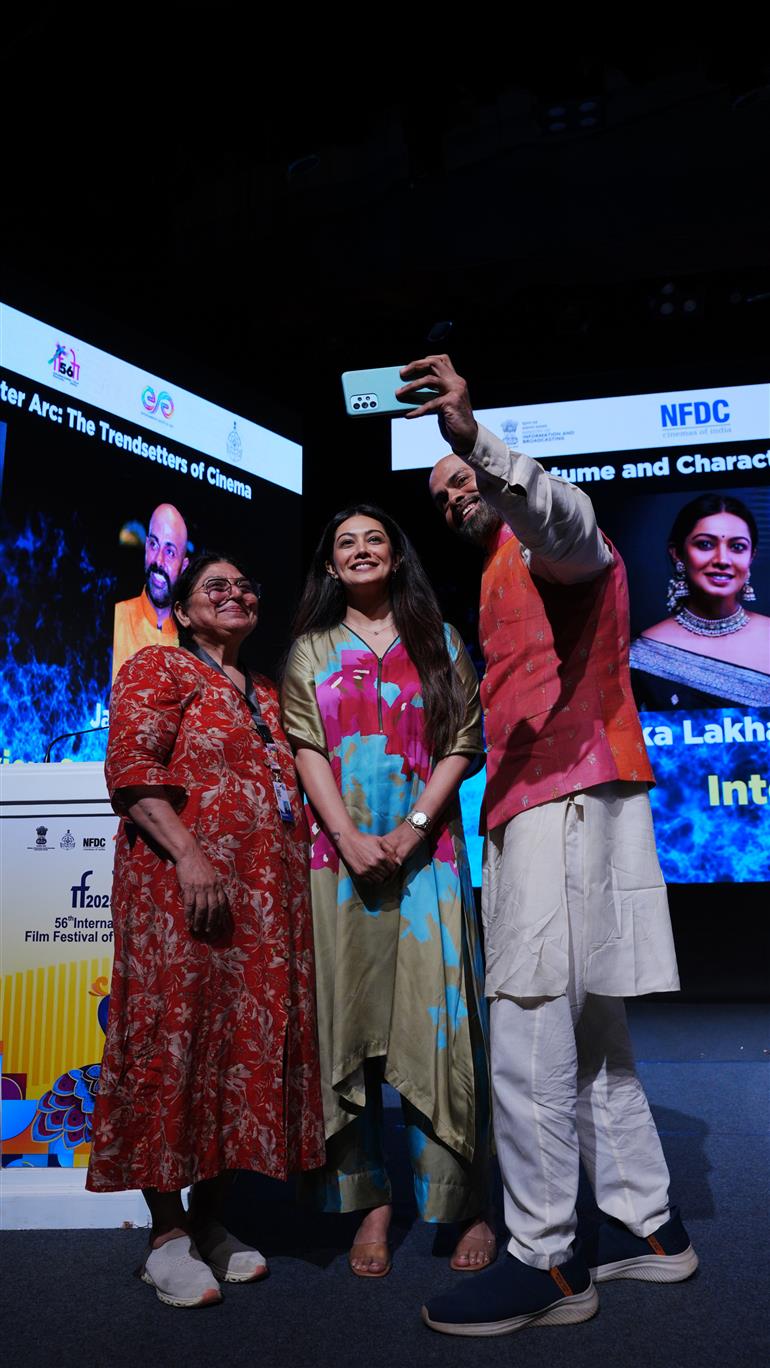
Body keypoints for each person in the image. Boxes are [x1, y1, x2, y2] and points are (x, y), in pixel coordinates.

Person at [394, 355, 698, 1337]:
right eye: (441, 495)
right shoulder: (496, 570)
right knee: (593, 1037)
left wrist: (474, 440)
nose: (453, 496)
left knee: (527, 1026)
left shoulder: (545, 542)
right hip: (568, 800)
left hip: (559, 802)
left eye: (461, 481)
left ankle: (547, 1259)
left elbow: (565, 522)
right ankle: (649, 1227)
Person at [88, 551, 325, 1308]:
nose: (234, 594)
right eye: (214, 587)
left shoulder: (266, 692)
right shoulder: (159, 667)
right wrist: (190, 856)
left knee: (238, 1051)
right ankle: (165, 1236)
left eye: (245, 586)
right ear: (186, 611)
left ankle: (209, 1220)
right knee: (174, 1042)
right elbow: (130, 769)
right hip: (178, 897)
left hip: (263, 910)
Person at [280, 504, 494, 1278]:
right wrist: (346, 837)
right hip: (336, 864)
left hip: (428, 858)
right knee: (351, 1027)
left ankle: (463, 1199)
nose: (362, 550)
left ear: (397, 558)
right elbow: (305, 747)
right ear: (331, 565)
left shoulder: (441, 641)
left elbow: (463, 742)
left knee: (442, 1026)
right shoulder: (309, 649)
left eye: (375, 539)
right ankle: (368, 1200)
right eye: (347, 543)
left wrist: (410, 831)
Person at [629, 493, 770, 708]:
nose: (722, 560)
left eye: (737, 547)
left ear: (751, 557)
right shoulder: (644, 654)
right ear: (677, 554)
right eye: (705, 544)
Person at [112, 502, 189, 681]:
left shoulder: (193, 644)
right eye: (154, 544)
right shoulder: (116, 617)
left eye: (170, 552)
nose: (158, 561)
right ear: (146, 546)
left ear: (184, 566)